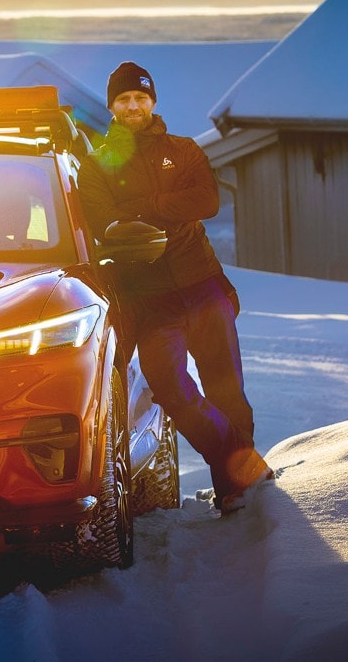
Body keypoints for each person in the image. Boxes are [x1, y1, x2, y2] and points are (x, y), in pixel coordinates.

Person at [78, 61, 272, 515]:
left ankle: (236, 490)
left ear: (152, 102)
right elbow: (105, 222)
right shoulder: (97, 164)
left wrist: (143, 206)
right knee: (169, 386)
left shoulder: (182, 149)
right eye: (124, 99)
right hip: (148, 298)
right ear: (112, 107)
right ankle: (243, 467)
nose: (133, 106)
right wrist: (164, 211)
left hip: (203, 286)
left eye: (140, 98)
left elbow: (205, 200)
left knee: (228, 391)